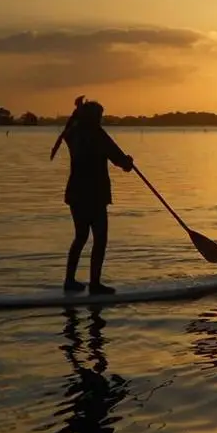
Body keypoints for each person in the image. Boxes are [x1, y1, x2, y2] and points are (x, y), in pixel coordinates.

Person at [57, 100, 134, 294]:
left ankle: (69, 281)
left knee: (80, 237)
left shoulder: (72, 133)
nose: (101, 119)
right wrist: (128, 162)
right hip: (94, 194)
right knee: (100, 239)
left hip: (75, 193)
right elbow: (119, 159)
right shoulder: (97, 135)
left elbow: (70, 130)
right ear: (93, 117)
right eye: (99, 116)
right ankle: (95, 284)